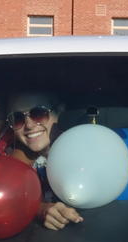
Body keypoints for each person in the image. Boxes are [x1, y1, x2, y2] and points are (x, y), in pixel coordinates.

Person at [7, 93, 83, 231]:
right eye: (18, 118)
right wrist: (40, 209)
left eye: (38, 114)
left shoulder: (85, 147)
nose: (29, 125)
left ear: (60, 111)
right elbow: (10, 197)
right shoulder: (16, 158)